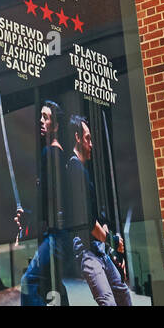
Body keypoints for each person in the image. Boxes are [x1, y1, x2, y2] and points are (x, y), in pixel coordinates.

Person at [66, 115, 131, 307]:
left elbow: (96, 216)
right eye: (88, 138)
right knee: (108, 303)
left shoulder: (82, 171)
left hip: (97, 247)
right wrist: (112, 242)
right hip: (86, 248)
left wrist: (111, 244)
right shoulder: (74, 168)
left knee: (123, 295)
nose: (91, 144)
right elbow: (87, 221)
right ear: (77, 137)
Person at [15, 100, 69, 306]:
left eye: (45, 118)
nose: (40, 120)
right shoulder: (57, 153)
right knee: (53, 285)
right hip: (56, 233)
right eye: (41, 116)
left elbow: (51, 203)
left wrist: (29, 215)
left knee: (29, 282)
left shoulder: (51, 153)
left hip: (56, 235)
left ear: (55, 126)